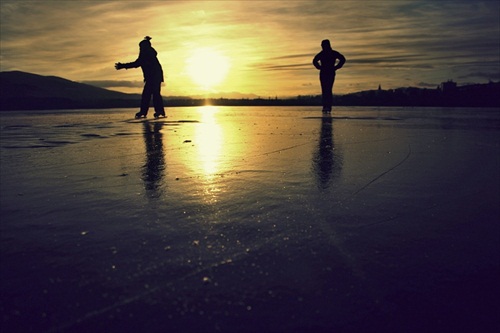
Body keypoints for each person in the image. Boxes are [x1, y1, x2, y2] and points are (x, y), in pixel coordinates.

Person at [115, 36, 166, 119]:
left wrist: (123, 66)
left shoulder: (146, 54)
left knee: (151, 94)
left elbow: (136, 63)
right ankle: (153, 111)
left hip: (154, 77)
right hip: (154, 77)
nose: (140, 48)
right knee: (150, 94)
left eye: (141, 47)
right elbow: (138, 63)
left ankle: (154, 111)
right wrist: (123, 66)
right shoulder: (149, 53)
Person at [313, 39, 346, 113]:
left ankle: (327, 106)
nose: (321, 46)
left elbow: (343, 59)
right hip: (326, 72)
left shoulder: (330, 53)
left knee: (327, 89)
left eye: (322, 45)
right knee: (326, 90)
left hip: (328, 72)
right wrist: (319, 67)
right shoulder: (326, 53)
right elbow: (314, 61)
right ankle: (326, 106)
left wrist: (336, 67)